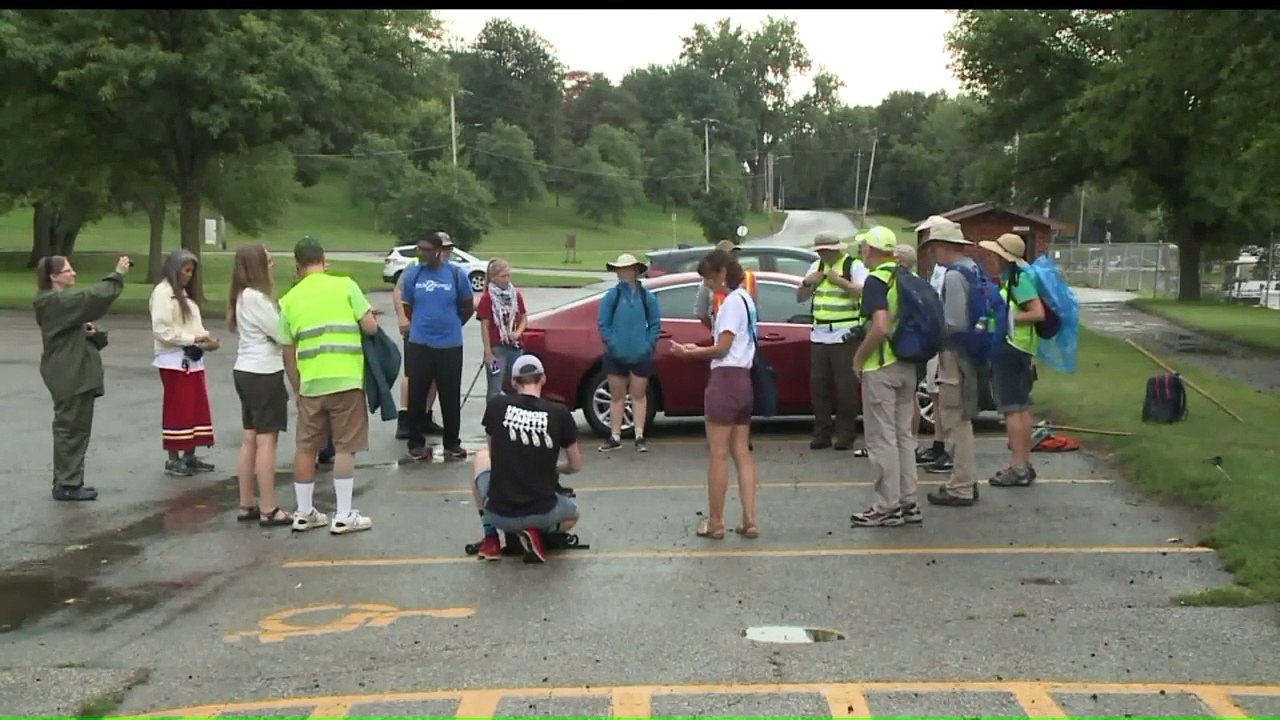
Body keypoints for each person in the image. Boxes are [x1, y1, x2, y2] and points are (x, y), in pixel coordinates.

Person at [278, 236, 380, 535]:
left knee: (305, 448)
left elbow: (287, 350)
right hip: (346, 378)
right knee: (345, 446)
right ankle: (344, 514)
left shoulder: (288, 300)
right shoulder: (345, 285)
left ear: (297, 265)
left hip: (311, 382)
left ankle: (304, 511)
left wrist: (297, 387)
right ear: (324, 259)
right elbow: (370, 326)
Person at [671, 248, 759, 539]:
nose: (708, 284)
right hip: (744, 379)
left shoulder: (732, 303)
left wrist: (691, 352)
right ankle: (749, 519)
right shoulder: (746, 298)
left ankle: (716, 521)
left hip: (725, 379)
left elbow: (722, 347)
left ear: (722, 272)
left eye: (709, 278)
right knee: (742, 452)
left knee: (718, 455)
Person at [34, 254, 131, 501]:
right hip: (68, 374)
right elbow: (92, 298)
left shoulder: (61, 305)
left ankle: (70, 480)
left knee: (75, 428)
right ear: (53, 276)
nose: (73, 273)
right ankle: (67, 484)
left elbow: (87, 329)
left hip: (75, 372)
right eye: (67, 271)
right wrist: (117, 275)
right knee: (70, 428)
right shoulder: (54, 301)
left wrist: (92, 331)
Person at [471, 354, 583, 564]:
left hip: (498, 513)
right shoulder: (559, 413)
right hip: (542, 511)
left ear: (513, 382)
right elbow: (576, 465)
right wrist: (555, 467)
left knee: (480, 458)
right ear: (543, 379)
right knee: (572, 514)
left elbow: (493, 453)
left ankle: (491, 538)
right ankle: (535, 532)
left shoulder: (497, 405)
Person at [850, 225, 920, 528]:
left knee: (881, 439)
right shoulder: (908, 277)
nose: (862, 251)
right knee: (904, 436)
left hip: (881, 365)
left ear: (871, 249)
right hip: (908, 363)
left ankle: (886, 505)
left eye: (864, 246)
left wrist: (859, 357)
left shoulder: (877, 280)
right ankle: (908, 502)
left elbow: (879, 326)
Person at [227, 243, 292, 526]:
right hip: (264, 372)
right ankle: (269, 507)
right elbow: (281, 333)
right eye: (268, 259)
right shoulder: (257, 299)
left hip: (245, 369)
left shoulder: (242, 296)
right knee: (268, 440)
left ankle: (246, 503)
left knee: (250, 437)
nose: (272, 264)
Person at [920, 222, 981, 507]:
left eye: (934, 248)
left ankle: (961, 486)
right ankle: (966, 479)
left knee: (955, 420)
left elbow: (955, 322)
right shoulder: (973, 269)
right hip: (969, 354)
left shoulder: (954, 276)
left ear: (944, 247)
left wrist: (931, 328)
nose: (933, 254)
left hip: (955, 355)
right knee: (961, 420)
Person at [978, 232, 1045, 488]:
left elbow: (1037, 312)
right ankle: (1023, 463)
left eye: (995, 253)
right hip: (1020, 347)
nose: (991, 257)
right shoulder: (1018, 277)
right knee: (1021, 406)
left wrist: (1008, 318)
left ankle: (1018, 467)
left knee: (1011, 409)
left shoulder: (1018, 279)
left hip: (1011, 347)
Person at [401, 231, 474, 460]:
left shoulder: (455, 273)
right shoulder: (414, 273)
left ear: (438, 251)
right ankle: (416, 443)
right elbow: (408, 305)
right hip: (420, 343)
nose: (421, 253)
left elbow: (468, 306)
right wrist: (421, 325)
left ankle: (452, 443)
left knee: (450, 395)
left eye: (425, 249)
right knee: (417, 394)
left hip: (450, 345)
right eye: (418, 248)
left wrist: (453, 324)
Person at [796, 231, 867, 452]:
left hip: (844, 335)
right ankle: (822, 433)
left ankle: (845, 435)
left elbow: (863, 292)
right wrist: (808, 283)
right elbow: (800, 297)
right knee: (819, 386)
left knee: (846, 388)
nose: (823, 254)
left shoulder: (852, 265)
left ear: (837, 249)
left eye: (826, 251)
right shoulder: (816, 267)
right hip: (819, 335)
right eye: (820, 251)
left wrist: (841, 282)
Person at [149, 249, 218, 477]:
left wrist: (206, 339)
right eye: (186, 270)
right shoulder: (163, 293)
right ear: (174, 268)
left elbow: (194, 327)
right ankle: (173, 458)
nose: (189, 275)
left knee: (195, 406)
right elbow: (162, 330)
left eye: (192, 271)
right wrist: (192, 339)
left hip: (192, 358)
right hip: (173, 359)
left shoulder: (185, 295)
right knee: (178, 407)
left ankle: (189, 455)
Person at [596, 253, 661, 453]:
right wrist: (612, 343)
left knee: (639, 395)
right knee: (617, 396)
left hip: (640, 354)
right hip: (616, 355)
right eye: (619, 269)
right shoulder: (611, 296)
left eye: (626, 269)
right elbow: (603, 324)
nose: (622, 273)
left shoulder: (646, 296)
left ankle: (639, 435)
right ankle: (615, 436)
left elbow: (655, 324)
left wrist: (647, 344)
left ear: (635, 271)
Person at [475, 257, 527, 398]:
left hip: (515, 346)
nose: (506, 279)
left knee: (517, 384)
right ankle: (493, 416)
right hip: (497, 348)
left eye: (508, 275)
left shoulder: (515, 295)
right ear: (493, 278)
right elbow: (484, 326)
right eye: (503, 276)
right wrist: (488, 352)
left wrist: (518, 332)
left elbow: (523, 317)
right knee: (495, 386)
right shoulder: (488, 298)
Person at [694, 240, 757, 330]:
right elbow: (700, 312)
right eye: (730, 254)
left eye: (734, 254)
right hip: (723, 331)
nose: (734, 257)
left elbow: (754, 308)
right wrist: (714, 327)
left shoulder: (748, 278)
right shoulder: (708, 282)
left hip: (741, 333)